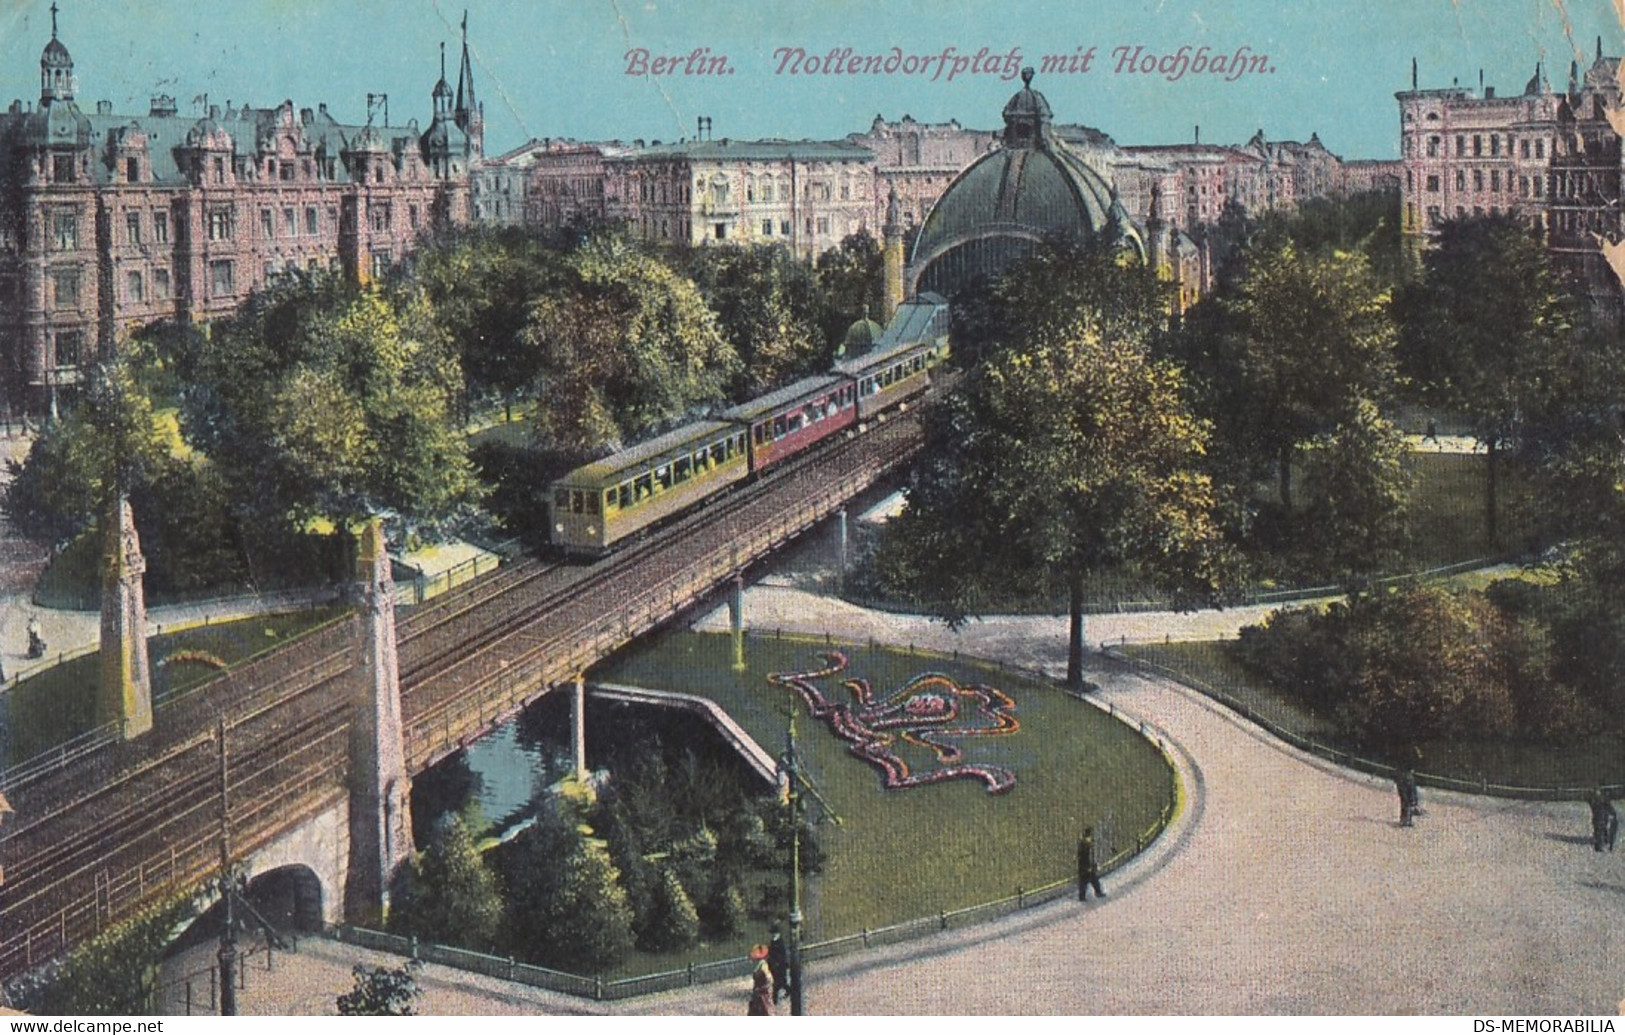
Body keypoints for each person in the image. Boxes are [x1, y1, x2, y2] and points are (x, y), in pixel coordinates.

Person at [1077, 826, 1104, 901]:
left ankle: (1096, 892)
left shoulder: (1086, 844)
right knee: (1085, 881)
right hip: (1085, 867)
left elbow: (1089, 856)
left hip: (1087, 867)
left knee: (1092, 879)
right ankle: (1083, 896)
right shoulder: (1084, 845)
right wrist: (1087, 866)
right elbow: (1084, 857)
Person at [747, 943, 774, 1016]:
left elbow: (769, 979)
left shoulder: (763, 965)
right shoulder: (759, 965)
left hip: (762, 994)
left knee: (764, 1011)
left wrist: (763, 988)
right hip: (758, 993)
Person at [766, 924, 790, 1004]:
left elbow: (781, 955)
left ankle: (774, 1000)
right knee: (781, 982)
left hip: (779, 965)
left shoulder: (779, 942)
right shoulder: (774, 941)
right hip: (775, 965)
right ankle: (788, 990)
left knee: (777, 984)